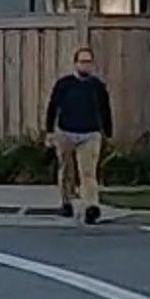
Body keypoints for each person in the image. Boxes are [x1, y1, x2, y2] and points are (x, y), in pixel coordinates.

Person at [45, 46, 113, 225]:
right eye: (82, 61)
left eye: (89, 62)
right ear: (76, 63)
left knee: (88, 172)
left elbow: (105, 110)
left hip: (90, 134)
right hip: (66, 132)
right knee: (67, 170)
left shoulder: (97, 86)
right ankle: (66, 201)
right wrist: (50, 131)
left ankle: (91, 206)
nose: (86, 65)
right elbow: (53, 107)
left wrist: (108, 132)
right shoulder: (64, 84)